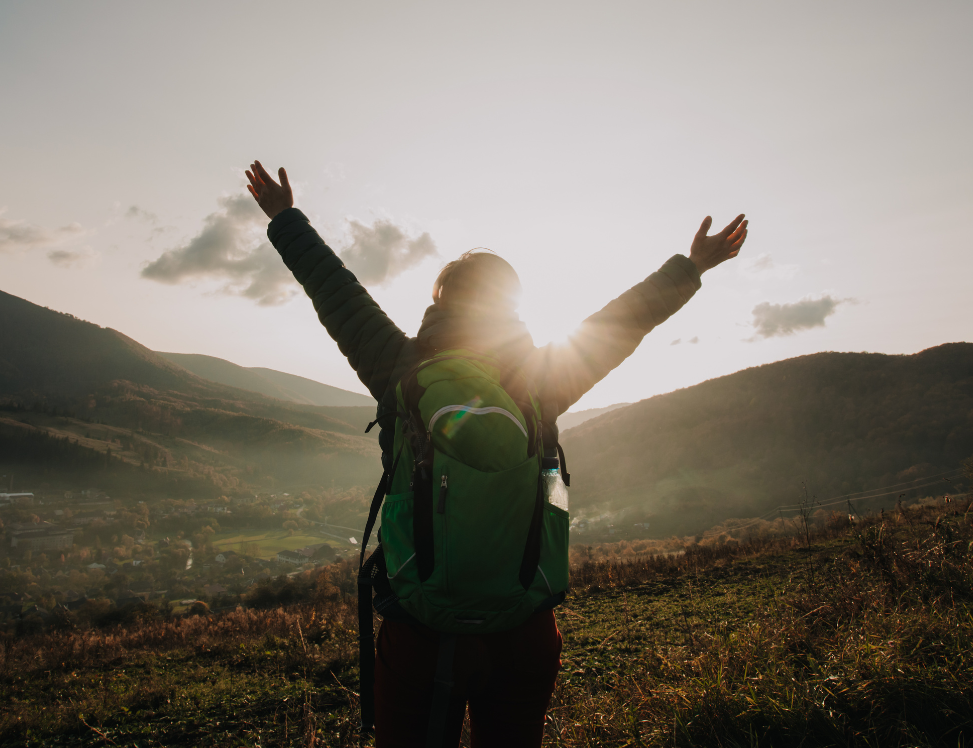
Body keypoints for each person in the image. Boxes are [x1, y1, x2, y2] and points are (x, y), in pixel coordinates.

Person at [245, 160, 747, 747]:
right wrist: (691, 267)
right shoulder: (543, 377)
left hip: (422, 631)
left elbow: (334, 290)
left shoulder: (399, 366)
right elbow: (624, 319)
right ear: (512, 306)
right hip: (522, 627)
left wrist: (284, 217)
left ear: (440, 303)